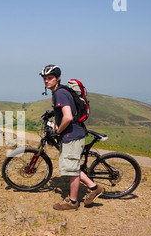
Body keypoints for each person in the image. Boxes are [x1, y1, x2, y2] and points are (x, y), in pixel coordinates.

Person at [40, 64, 104, 210]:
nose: (46, 81)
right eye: (44, 78)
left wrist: (57, 131)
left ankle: (73, 202)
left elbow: (68, 117)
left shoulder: (60, 93)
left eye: (50, 78)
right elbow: (66, 111)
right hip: (73, 134)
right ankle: (93, 188)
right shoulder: (61, 91)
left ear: (57, 78)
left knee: (71, 170)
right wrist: (53, 113)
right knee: (72, 166)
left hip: (72, 136)